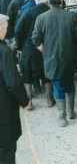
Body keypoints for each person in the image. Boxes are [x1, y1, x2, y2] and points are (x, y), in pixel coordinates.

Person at [31, 0, 77, 127]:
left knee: (57, 86)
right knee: (70, 83)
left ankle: (61, 117)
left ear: (49, 1)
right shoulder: (71, 16)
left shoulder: (41, 18)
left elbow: (36, 39)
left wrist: (45, 52)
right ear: (61, 1)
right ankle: (71, 112)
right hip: (69, 56)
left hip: (51, 58)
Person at [15, 0, 55, 110]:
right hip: (46, 47)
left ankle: (29, 102)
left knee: (26, 74)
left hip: (28, 47)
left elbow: (18, 30)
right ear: (47, 0)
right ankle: (49, 99)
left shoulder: (28, 12)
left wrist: (19, 46)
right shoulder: (50, 12)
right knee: (46, 74)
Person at [0, 14, 29, 164]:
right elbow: (13, 82)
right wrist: (25, 101)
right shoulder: (3, 51)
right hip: (3, 109)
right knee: (7, 148)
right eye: (5, 28)